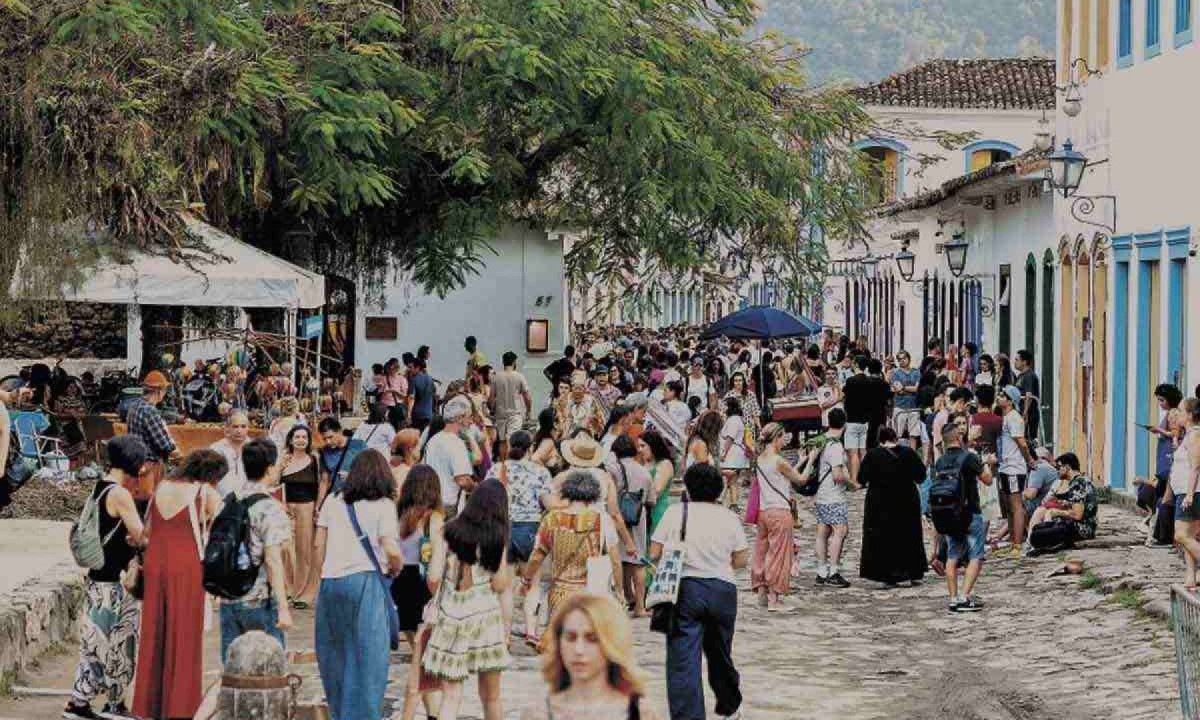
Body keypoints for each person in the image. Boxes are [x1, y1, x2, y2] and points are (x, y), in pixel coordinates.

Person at [132, 450, 226, 720]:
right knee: (185, 636)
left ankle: (149, 705)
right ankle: (181, 707)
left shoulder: (162, 486)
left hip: (156, 563)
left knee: (155, 634)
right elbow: (223, 525)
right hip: (185, 566)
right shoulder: (203, 493)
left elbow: (146, 532)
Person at [650, 463, 748, 720]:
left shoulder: (675, 513)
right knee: (720, 653)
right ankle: (730, 704)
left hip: (685, 590)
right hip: (723, 590)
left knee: (683, 659)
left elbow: (654, 553)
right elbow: (741, 560)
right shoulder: (728, 517)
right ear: (718, 489)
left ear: (688, 488)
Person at [63, 436, 149, 720]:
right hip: (112, 585)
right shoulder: (120, 494)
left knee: (96, 644)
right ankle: (106, 704)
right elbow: (141, 536)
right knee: (119, 643)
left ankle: (85, 702)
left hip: (97, 580)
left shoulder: (99, 488)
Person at [314, 449, 403, 720]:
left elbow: (319, 545)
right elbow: (391, 549)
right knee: (369, 660)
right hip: (365, 582)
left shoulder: (334, 500)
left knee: (334, 656)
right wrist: (394, 569)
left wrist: (325, 574)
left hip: (330, 583)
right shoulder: (384, 505)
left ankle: (340, 713)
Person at [423, 479, 512, 720]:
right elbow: (501, 583)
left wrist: (443, 594)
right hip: (486, 618)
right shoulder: (497, 537)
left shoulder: (447, 531)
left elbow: (432, 577)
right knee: (491, 696)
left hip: (452, 617)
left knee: (451, 696)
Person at [520, 593, 660, 720]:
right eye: (571, 638)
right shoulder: (537, 714)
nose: (579, 650)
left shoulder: (642, 713)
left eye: (592, 639)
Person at [218, 438, 293, 662]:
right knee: (268, 668)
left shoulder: (230, 501)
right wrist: (283, 607)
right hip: (260, 596)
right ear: (270, 469)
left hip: (229, 596)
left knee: (232, 668)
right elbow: (273, 560)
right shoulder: (270, 508)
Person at [519, 470, 610, 642]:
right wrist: (619, 589)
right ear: (593, 494)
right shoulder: (601, 520)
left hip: (559, 592)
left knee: (561, 639)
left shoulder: (551, 519)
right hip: (588, 590)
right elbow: (610, 556)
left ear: (567, 491)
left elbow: (537, 554)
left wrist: (526, 579)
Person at [395, 464, 446, 720]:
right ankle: (429, 714)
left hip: (398, 584)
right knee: (423, 660)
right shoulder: (434, 520)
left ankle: (433, 714)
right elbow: (435, 572)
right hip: (422, 587)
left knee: (422, 655)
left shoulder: (398, 514)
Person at [752, 423, 818, 610]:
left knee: (762, 553)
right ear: (776, 438)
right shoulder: (778, 460)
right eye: (783, 437)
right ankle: (775, 599)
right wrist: (811, 460)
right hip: (780, 512)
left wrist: (800, 461)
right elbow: (801, 479)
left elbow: (781, 475)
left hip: (764, 512)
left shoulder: (760, 459)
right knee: (779, 556)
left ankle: (763, 595)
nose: (784, 441)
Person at [858, 427, 926, 587]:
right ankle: (912, 571)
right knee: (909, 536)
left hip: (879, 503)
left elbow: (861, 478)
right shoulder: (909, 453)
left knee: (883, 538)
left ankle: (886, 575)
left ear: (880, 440)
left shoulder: (872, 455)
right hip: (906, 500)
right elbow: (921, 475)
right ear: (895, 438)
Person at [935, 423, 991, 612]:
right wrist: (986, 463)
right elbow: (988, 480)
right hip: (970, 512)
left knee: (952, 556)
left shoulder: (940, 461)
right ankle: (964, 596)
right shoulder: (970, 458)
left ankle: (952, 598)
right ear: (959, 438)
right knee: (976, 555)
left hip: (949, 513)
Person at [607, 435, 653, 616]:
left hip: (614, 517)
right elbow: (650, 500)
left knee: (620, 559)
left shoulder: (611, 469)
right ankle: (640, 606)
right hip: (637, 518)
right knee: (638, 560)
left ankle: (625, 598)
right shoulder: (644, 472)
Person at [1025, 452, 1099, 554]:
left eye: (1059, 467)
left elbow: (1077, 515)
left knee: (1036, 536)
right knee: (1037, 528)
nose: (1057, 471)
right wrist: (1064, 503)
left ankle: (1053, 545)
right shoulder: (1079, 481)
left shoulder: (1078, 483)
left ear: (1067, 467)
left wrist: (1056, 512)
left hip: (1081, 528)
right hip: (1077, 525)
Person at [280, 424, 321, 608]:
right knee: (285, 548)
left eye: (304, 437)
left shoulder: (314, 460)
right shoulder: (284, 460)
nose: (300, 440)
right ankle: (288, 589)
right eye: (297, 437)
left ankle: (303, 594)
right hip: (286, 508)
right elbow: (273, 482)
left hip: (307, 507)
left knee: (304, 550)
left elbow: (320, 484)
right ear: (290, 439)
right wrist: (280, 465)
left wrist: (317, 508)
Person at [814, 408, 854, 588]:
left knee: (822, 533)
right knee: (840, 531)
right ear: (844, 424)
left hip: (821, 494)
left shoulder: (821, 442)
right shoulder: (836, 446)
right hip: (833, 495)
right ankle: (834, 570)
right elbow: (838, 475)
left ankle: (821, 570)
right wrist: (852, 484)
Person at [1143, 383, 1187, 547]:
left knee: (1164, 497)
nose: (1160, 403)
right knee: (1162, 497)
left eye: (1162, 400)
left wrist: (1157, 430)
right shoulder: (1171, 413)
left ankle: (1164, 536)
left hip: (1169, 458)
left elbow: (1175, 435)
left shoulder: (1173, 413)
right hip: (1167, 457)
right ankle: (1162, 534)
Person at [997, 385, 1035, 558]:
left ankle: (1018, 545)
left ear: (1010, 400)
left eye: (1002, 395)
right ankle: (1013, 541)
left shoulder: (1014, 418)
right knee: (1008, 508)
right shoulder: (1006, 417)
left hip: (1014, 468)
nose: (999, 397)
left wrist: (1029, 460)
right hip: (1005, 467)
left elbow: (1022, 443)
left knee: (1016, 506)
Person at [424, 396, 479, 516]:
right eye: (469, 417)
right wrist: (476, 489)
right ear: (460, 418)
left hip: (431, 501)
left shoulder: (434, 440)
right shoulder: (456, 443)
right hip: (449, 505)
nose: (471, 422)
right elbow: (462, 480)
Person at [1173, 399, 1200, 589]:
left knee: (1181, 535)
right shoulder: (1189, 435)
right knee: (1190, 535)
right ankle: (1191, 576)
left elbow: (1195, 467)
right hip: (1185, 491)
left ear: (1190, 415)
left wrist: (1189, 495)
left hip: (1191, 492)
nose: (1178, 413)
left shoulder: (1195, 435)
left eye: (1181, 411)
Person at [492, 352, 533, 460]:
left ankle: (502, 465)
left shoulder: (496, 377)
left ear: (503, 362)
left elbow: (491, 398)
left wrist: (492, 410)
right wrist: (529, 410)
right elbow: (527, 397)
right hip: (515, 414)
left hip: (500, 414)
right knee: (512, 441)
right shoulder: (519, 376)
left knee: (502, 442)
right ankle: (510, 466)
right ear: (514, 362)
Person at [841, 355, 871, 483]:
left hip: (852, 419)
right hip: (865, 420)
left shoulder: (851, 381)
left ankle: (854, 480)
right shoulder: (869, 381)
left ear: (856, 365)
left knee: (853, 453)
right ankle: (866, 478)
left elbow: (844, 397)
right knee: (863, 452)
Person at [642, 429, 676, 539]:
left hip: (658, 511)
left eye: (643, 446)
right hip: (645, 512)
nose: (640, 450)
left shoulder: (664, 464)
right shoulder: (645, 463)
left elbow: (658, 490)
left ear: (653, 446)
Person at [719, 397, 752, 509]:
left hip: (733, 454)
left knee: (730, 479)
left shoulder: (733, 420)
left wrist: (723, 453)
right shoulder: (735, 419)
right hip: (735, 453)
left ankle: (730, 502)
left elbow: (730, 438)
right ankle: (730, 502)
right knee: (731, 480)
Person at [557, 373, 608, 439]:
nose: (577, 391)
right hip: (567, 436)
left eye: (580, 388)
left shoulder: (591, 400)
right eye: (575, 387)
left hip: (587, 436)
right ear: (572, 388)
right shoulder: (564, 400)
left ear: (584, 388)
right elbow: (561, 420)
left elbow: (601, 421)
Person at [890, 350, 922, 453]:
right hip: (900, 406)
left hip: (913, 406)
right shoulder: (895, 373)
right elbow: (898, 390)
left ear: (909, 358)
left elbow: (917, 388)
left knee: (914, 434)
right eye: (900, 359)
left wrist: (903, 387)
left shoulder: (916, 372)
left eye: (904, 358)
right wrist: (907, 388)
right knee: (897, 434)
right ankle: (896, 455)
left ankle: (912, 455)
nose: (902, 361)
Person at [1013, 350, 1040, 443]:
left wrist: (1025, 413)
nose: (1014, 362)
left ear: (1024, 362)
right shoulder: (1020, 376)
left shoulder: (1029, 376)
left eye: (1017, 360)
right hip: (1019, 412)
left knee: (1027, 440)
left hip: (1029, 414)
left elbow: (1029, 395)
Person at [407, 358, 437, 432]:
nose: (409, 369)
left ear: (417, 368)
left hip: (417, 415)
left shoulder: (413, 380)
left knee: (416, 437)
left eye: (411, 367)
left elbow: (411, 398)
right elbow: (433, 393)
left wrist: (408, 415)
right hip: (428, 413)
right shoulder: (430, 379)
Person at [531, 407, 565, 472]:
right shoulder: (548, 442)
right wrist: (547, 474)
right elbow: (535, 459)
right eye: (560, 418)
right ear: (554, 424)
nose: (562, 420)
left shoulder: (542, 436)